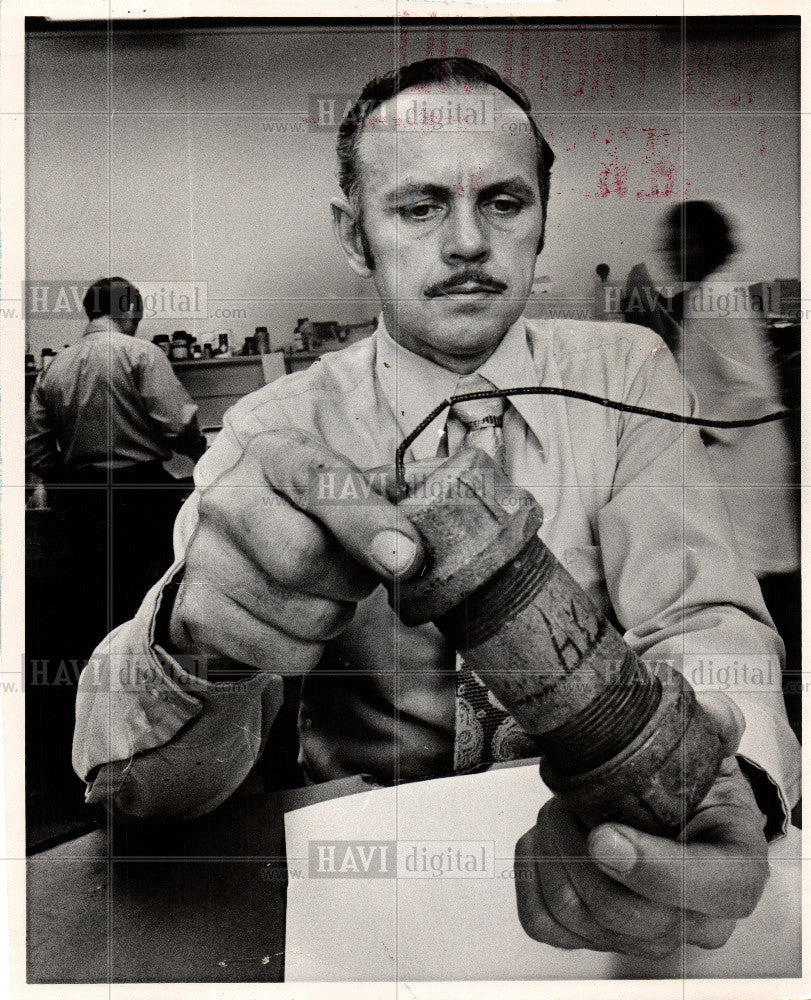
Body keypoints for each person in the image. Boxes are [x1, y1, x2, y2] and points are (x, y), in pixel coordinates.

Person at [72, 60, 799, 960]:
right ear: (354, 233)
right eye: (418, 207)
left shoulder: (629, 373)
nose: (467, 242)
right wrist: (194, 646)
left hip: (599, 847)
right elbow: (147, 792)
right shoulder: (275, 432)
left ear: (542, 213)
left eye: (502, 202)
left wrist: (728, 775)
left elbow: (701, 614)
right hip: (376, 889)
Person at [625, 203, 801, 738]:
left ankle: (780, 703)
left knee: (756, 577)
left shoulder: (717, 296)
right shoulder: (710, 294)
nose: (670, 255)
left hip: (744, 450)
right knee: (751, 572)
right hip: (740, 447)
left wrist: (700, 426)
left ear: (705, 245)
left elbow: (750, 390)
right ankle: (773, 692)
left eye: (679, 244)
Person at [26, 276, 207, 624]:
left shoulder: (53, 367)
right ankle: (153, 673)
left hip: (81, 500)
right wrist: (201, 455)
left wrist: (69, 484)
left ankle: (98, 673)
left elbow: (36, 448)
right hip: (141, 493)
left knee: (93, 596)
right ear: (127, 309)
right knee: (151, 595)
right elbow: (178, 424)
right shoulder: (141, 354)